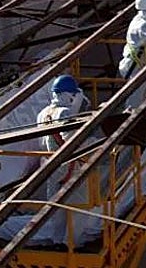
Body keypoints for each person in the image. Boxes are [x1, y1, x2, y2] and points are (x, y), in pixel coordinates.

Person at [35, 74, 90, 245]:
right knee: (79, 207)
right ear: (69, 94)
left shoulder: (42, 114)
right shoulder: (65, 112)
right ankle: (73, 243)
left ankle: (57, 240)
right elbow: (71, 140)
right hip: (69, 167)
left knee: (55, 209)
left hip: (50, 165)